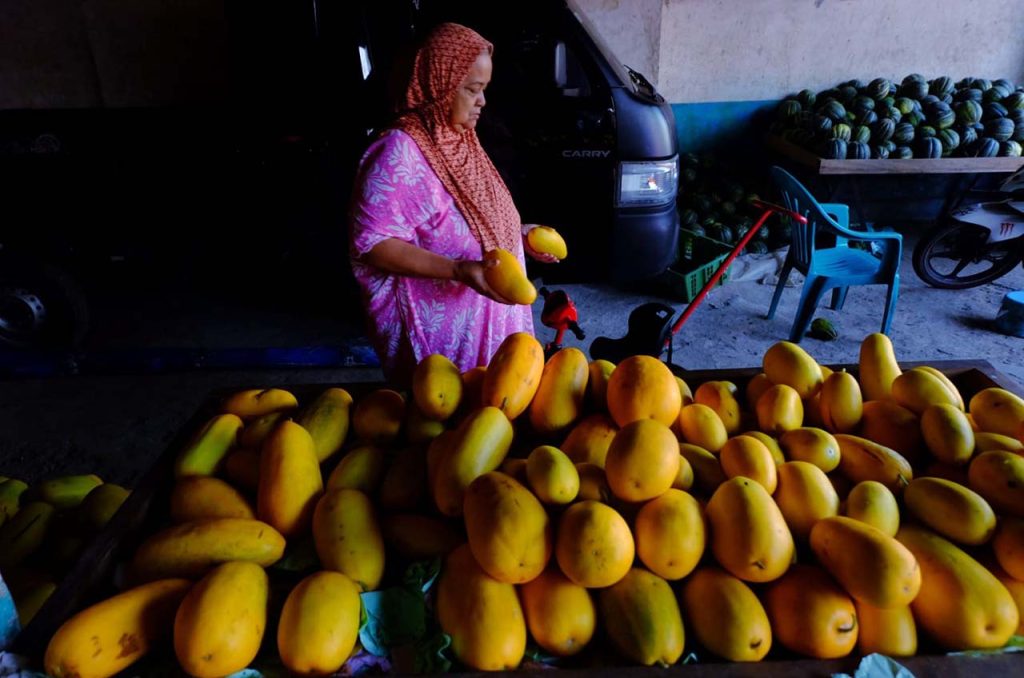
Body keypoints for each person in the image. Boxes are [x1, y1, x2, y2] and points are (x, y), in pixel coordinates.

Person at [349, 22, 556, 383]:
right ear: (441, 85)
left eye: (484, 89)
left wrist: (515, 233)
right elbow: (371, 243)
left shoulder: (458, 139)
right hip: (443, 343)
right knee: (452, 427)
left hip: (492, 328)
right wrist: (458, 270)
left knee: (494, 415)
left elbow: (466, 214)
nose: (483, 101)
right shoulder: (399, 151)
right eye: (473, 89)